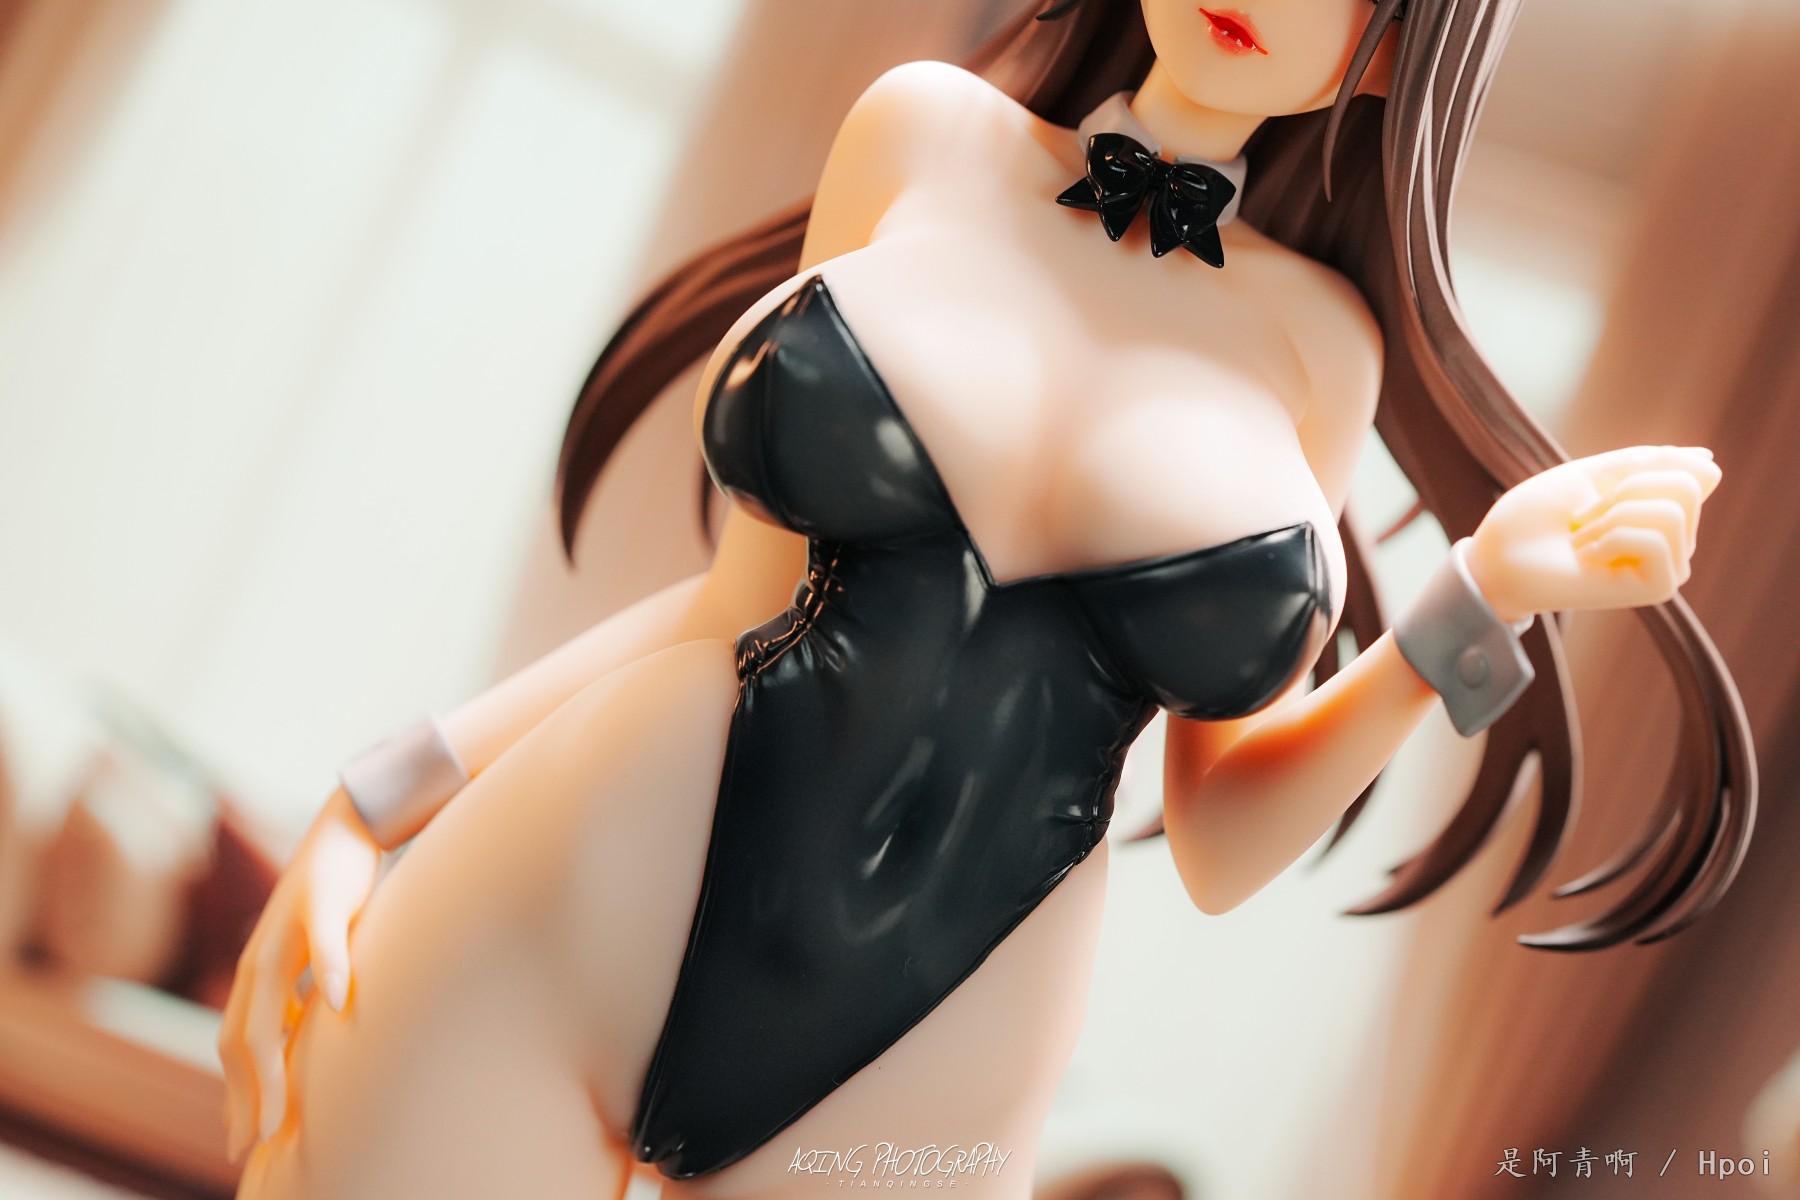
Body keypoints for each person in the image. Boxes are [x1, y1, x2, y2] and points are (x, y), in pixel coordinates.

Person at [220, 1, 1755, 1196]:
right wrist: (377, 799)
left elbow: (1222, 841)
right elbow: (725, 609)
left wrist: (1478, 598)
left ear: (1394, 50)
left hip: (936, 1058)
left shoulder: (1319, 349)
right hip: (567, 888)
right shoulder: (922, 135)